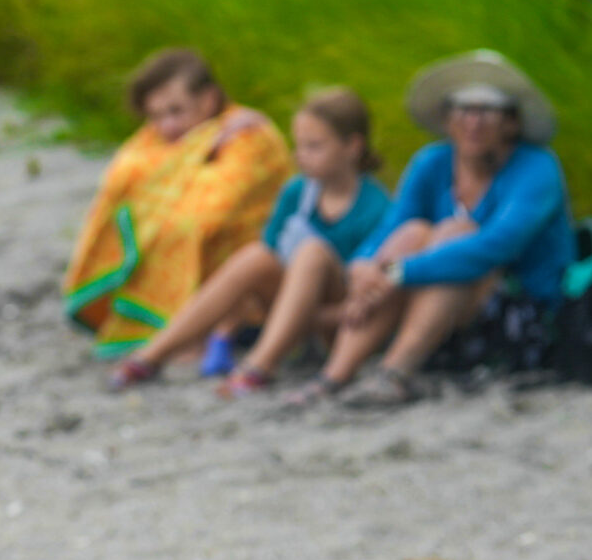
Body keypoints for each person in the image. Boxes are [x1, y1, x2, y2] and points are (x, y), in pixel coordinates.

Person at [296, 52, 576, 410]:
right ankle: (335, 375)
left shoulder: (537, 169)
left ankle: (394, 372)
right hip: (442, 309)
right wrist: (365, 266)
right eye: (462, 109)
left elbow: (495, 246)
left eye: (486, 110)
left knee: (455, 235)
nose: (472, 121)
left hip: (524, 313)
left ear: (510, 122)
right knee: (412, 233)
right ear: (447, 118)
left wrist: (398, 273)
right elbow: (393, 226)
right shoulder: (434, 161)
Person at [105, 88, 393, 393]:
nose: (301, 156)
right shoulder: (297, 192)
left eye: (314, 146)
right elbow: (267, 259)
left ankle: (260, 364)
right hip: (290, 313)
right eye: (299, 146)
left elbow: (366, 301)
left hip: (342, 327)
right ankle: (152, 355)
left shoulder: (375, 206)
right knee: (257, 256)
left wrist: (305, 314)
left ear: (352, 147)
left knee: (312, 253)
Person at [62, 49, 292, 363]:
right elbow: (118, 188)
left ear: (209, 100)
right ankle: (174, 333)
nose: (166, 125)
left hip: (260, 295)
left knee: (182, 230)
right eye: (155, 116)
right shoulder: (156, 140)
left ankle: (192, 334)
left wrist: (155, 217)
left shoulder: (249, 136)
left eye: (176, 112)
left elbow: (212, 212)